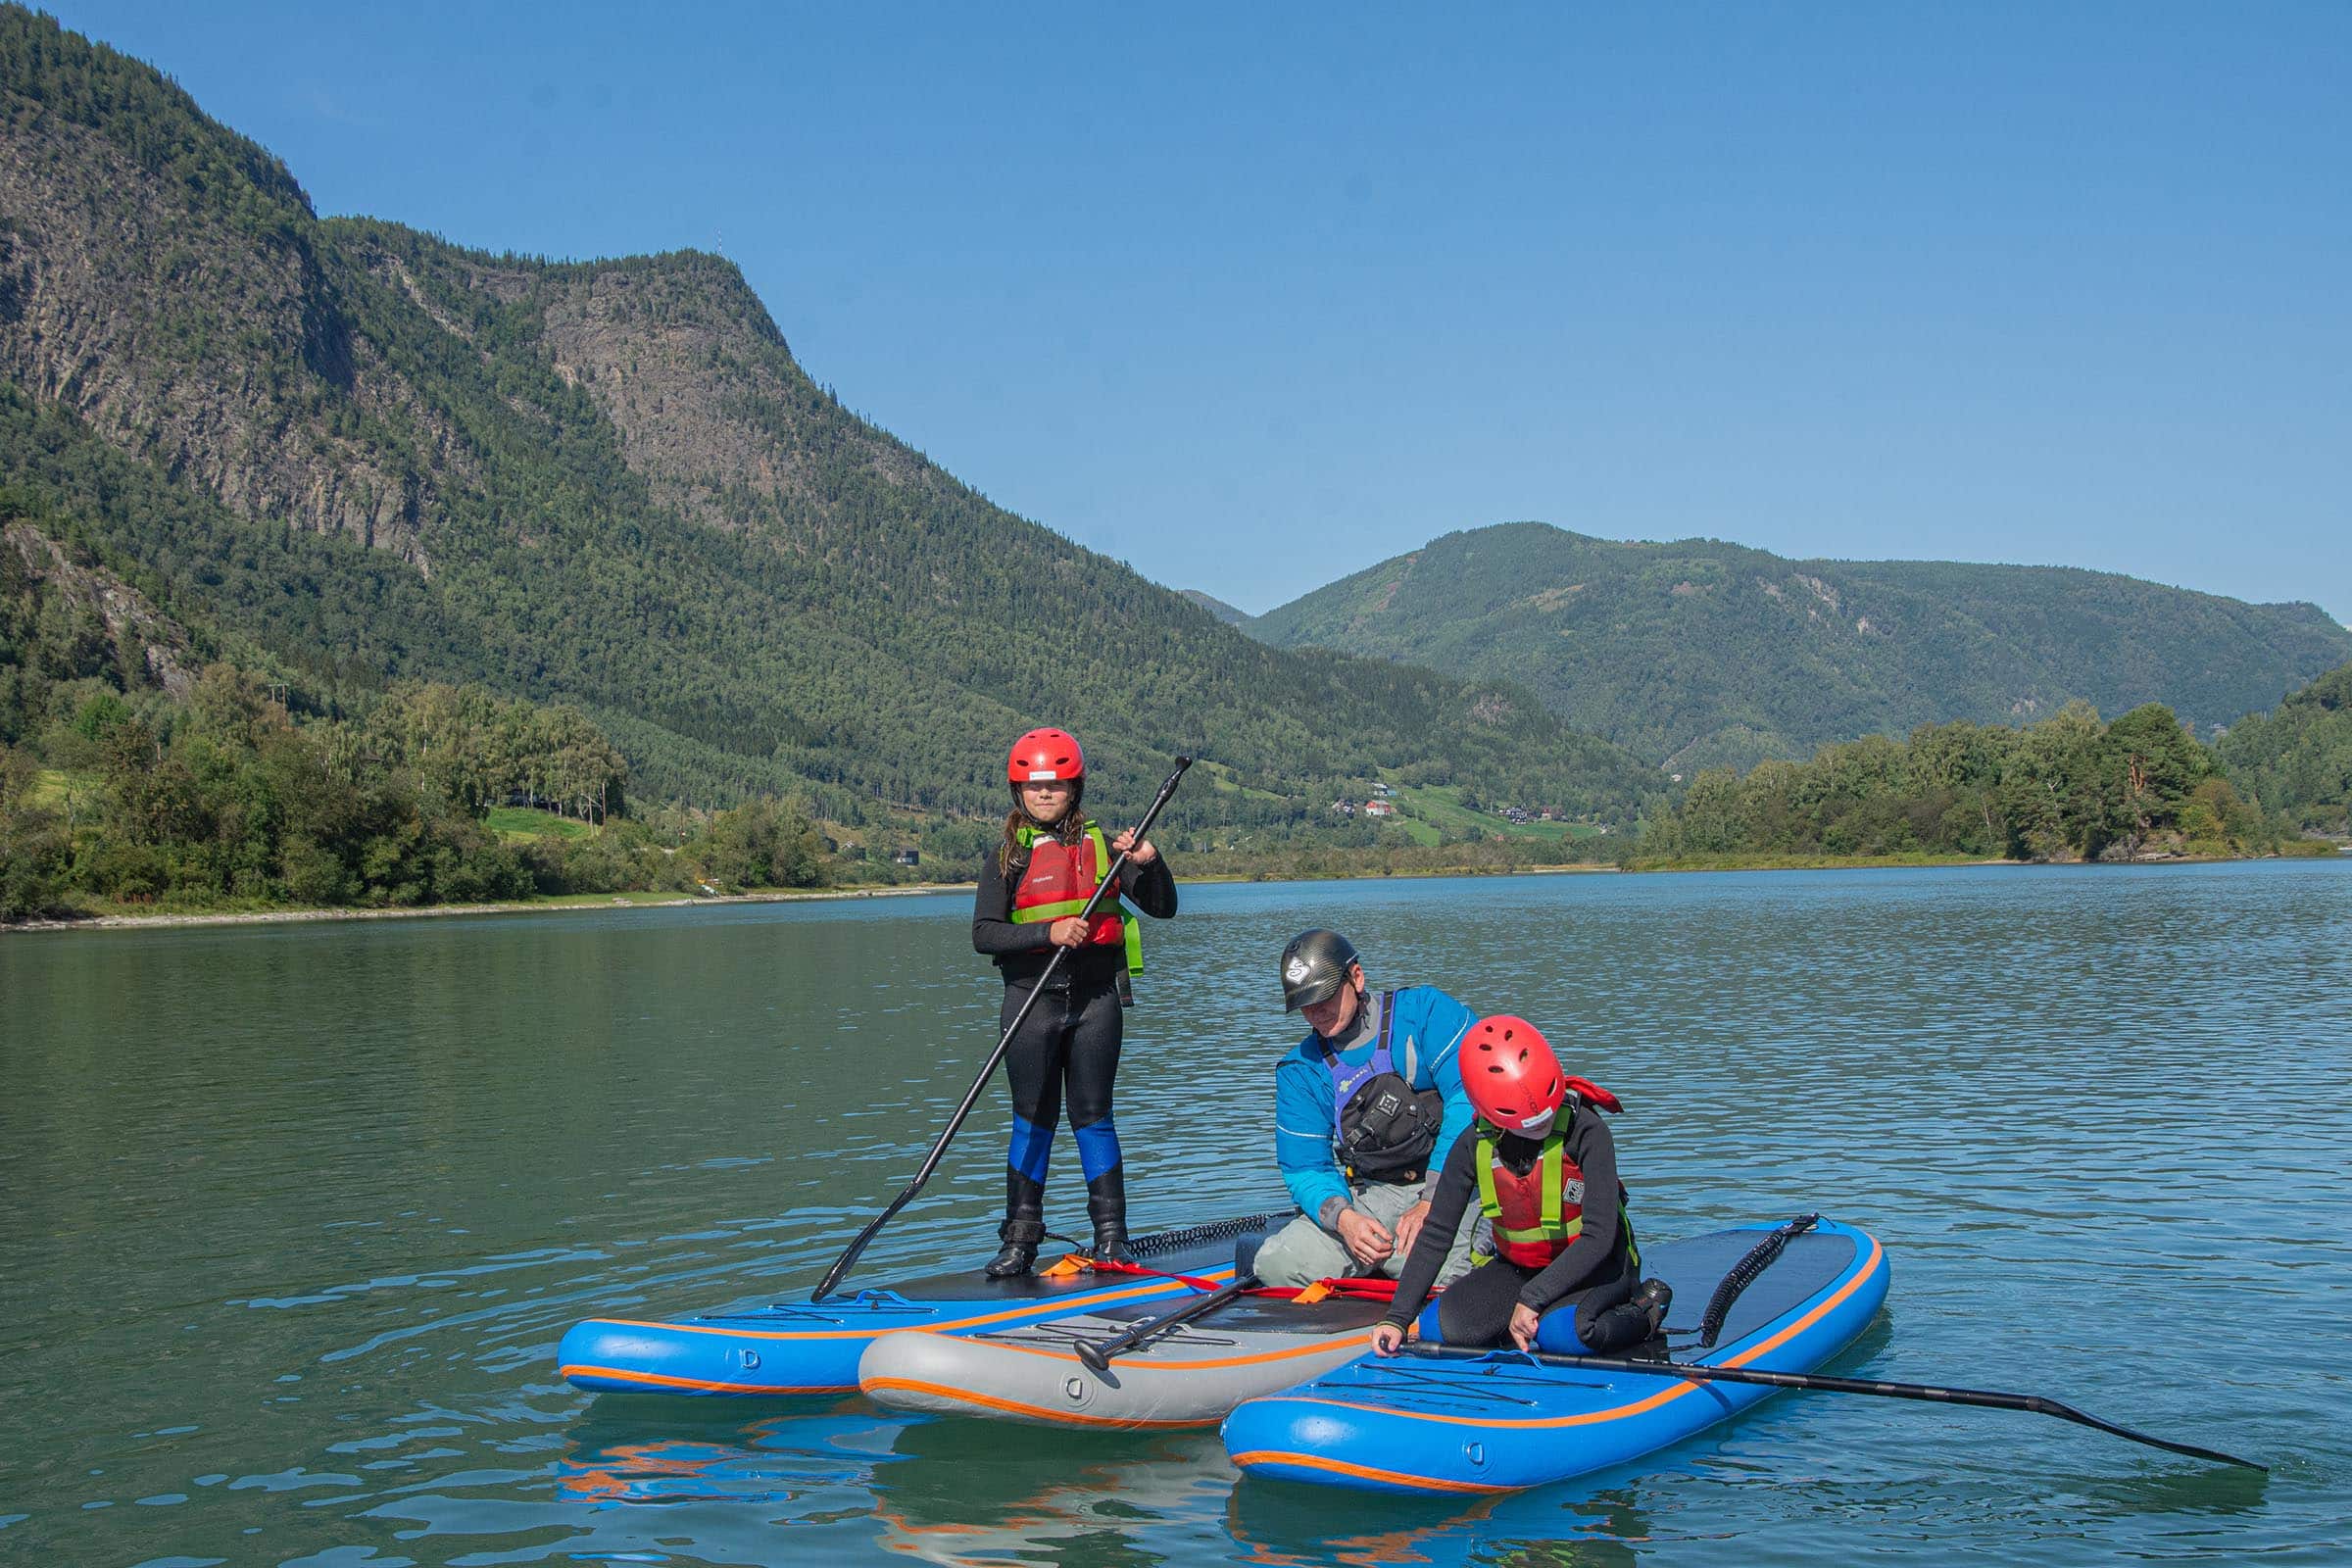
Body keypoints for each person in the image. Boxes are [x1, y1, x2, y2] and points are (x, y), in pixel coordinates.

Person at [971, 726, 1177, 1277]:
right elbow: (984, 934)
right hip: (1030, 1003)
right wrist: (1048, 933)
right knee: (1032, 1120)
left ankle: (1111, 1238)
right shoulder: (1006, 857)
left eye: (1055, 786)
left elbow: (1163, 908)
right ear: (1018, 792)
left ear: (1074, 788)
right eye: (1033, 787)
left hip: (1095, 1002)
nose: (1044, 795)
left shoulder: (1108, 848)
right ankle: (1020, 1239)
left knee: (1093, 1117)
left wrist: (1151, 863)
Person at [1370, 1014, 1670, 1358]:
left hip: (1598, 1267)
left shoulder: (1587, 1131)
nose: (1542, 1126)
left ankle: (1646, 1309)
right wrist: (1397, 1318)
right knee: (1442, 1328)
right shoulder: (1473, 1143)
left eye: (1547, 1115)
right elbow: (1438, 1233)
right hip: (1521, 1268)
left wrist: (1532, 1299)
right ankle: (1529, 1318)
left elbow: (1599, 1237)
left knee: (1566, 1336)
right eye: (1530, 1125)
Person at [1253, 929, 1483, 1291]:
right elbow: (1305, 1167)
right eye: (1305, 1004)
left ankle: (1410, 1268)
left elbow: (1468, 1100)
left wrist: (1431, 1203)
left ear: (1356, 978)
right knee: (1276, 1264)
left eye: (1325, 996)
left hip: (1457, 1182)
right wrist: (1343, 1219)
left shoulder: (1425, 1012)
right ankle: (1386, 1264)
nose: (1317, 1013)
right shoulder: (1300, 1070)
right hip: (1376, 1193)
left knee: (1449, 1284)